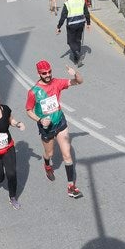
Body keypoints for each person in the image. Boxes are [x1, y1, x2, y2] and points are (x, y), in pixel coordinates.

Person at [25, 60, 83, 199]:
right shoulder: (33, 92)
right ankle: (47, 165)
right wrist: (40, 119)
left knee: (67, 155)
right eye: (44, 73)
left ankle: (71, 186)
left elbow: (79, 81)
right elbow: (28, 110)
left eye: (49, 72)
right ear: (39, 73)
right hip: (46, 127)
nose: (48, 75)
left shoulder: (57, 82)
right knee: (49, 153)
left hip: (60, 122)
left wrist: (75, 73)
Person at [56, 0, 91, 64]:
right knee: (78, 40)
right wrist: (88, 23)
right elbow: (87, 13)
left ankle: (77, 54)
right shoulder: (82, 1)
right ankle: (76, 58)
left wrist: (58, 27)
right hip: (81, 24)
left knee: (70, 41)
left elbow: (63, 16)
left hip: (71, 25)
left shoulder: (67, 3)